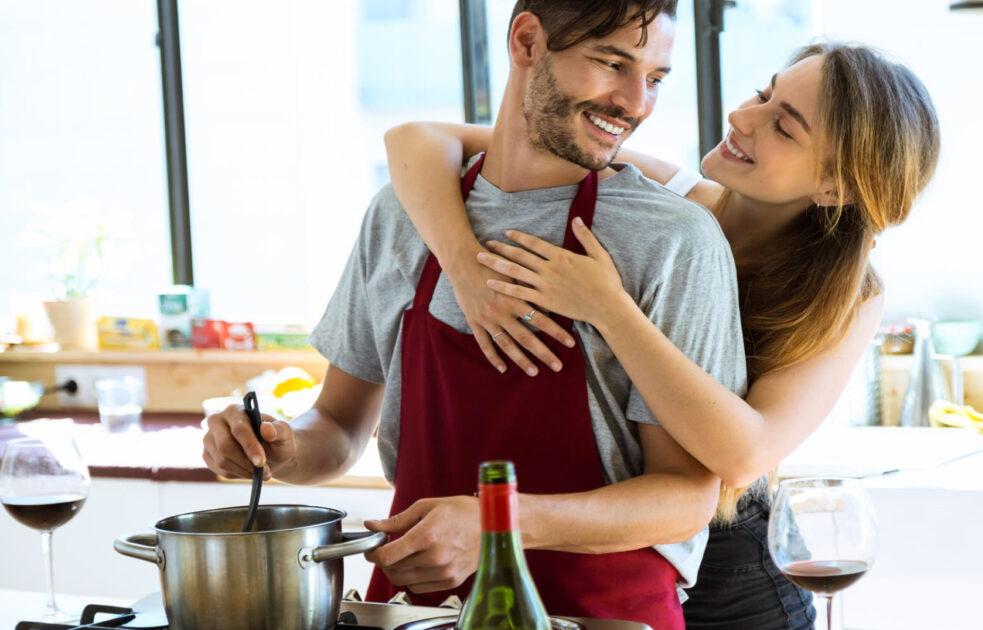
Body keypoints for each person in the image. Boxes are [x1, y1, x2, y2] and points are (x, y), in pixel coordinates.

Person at [201, 2, 748, 630]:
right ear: (526, 41)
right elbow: (338, 426)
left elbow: (686, 497)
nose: (635, 102)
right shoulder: (404, 214)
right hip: (413, 613)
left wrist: (495, 522)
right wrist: (281, 447)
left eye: (654, 78)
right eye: (611, 63)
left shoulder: (672, 239)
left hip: (603, 616)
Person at [382, 40, 941, 629]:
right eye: (763, 93)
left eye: (783, 125)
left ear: (834, 187)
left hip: (735, 582)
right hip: (610, 553)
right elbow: (416, 140)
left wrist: (611, 309)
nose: (742, 117)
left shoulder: (850, 296)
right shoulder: (662, 197)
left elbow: (743, 454)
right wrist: (464, 264)